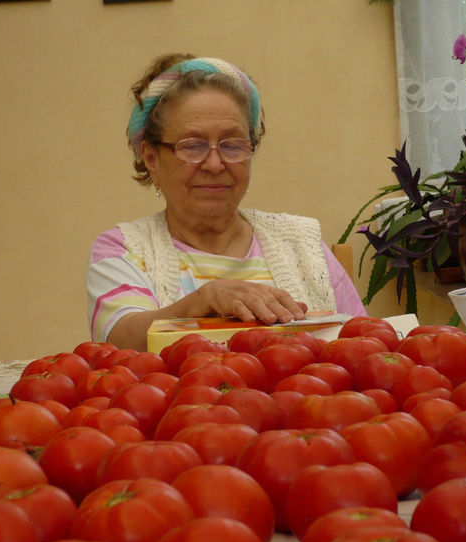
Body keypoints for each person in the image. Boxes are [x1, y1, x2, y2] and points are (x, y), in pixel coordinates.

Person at [87, 53, 365, 351]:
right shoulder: (125, 249)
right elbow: (120, 338)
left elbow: (363, 345)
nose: (215, 164)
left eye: (233, 145)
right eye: (192, 146)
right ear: (152, 160)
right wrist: (205, 299)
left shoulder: (302, 244)